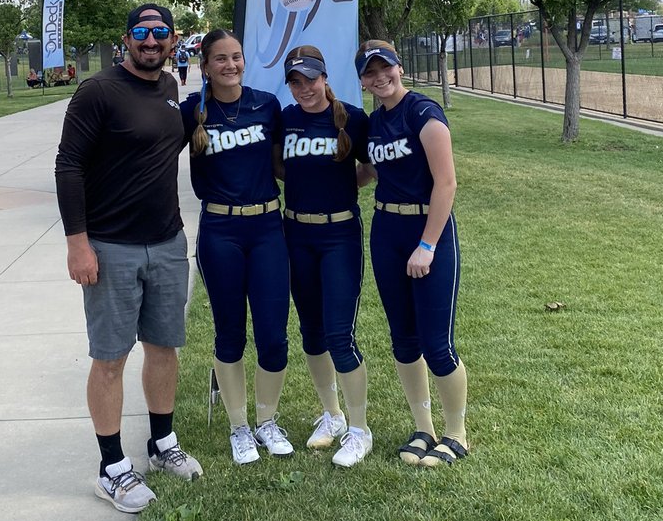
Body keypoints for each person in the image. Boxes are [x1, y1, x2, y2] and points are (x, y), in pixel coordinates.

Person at [55, 4, 202, 514]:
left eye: (160, 33)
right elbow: (68, 166)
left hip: (166, 243)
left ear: (173, 39)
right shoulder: (98, 91)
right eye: (142, 33)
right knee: (111, 357)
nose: (151, 40)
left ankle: (162, 444)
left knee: (163, 348)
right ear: (127, 39)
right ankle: (111, 467)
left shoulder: (169, 90)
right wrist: (78, 243)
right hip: (110, 248)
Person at [180, 28, 292, 465]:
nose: (231, 65)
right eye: (220, 59)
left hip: (267, 229)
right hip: (220, 233)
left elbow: (291, 159)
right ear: (205, 65)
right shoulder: (193, 111)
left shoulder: (267, 105)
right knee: (230, 334)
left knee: (273, 336)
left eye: (237, 57)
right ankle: (239, 427)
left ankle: (266, 421)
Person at [355, 40, 468, 468]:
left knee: (436, 343)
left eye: (386, 68)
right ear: (363, 80)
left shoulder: (423, 113)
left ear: (399, 68)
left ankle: (456, 431)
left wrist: (427, 244)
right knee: (403, 340)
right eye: (370, 72)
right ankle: (423, 427)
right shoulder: (372, 123)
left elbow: (447, 184)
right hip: (387, 231)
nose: (380, 77)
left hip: (426, 231)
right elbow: (367, 172)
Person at [279, 45, 373, 468]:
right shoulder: (286, 118)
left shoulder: (351, 117)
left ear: (325, 76)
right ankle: (331, 416)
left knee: (339, 334)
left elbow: (371, 167)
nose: (304, 89)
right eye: (295, 82)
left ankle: (359, 429)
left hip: (339, 236)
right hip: (296, 232)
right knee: (311, 333)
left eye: (310, 79)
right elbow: (281, 167)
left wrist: (344, 182)